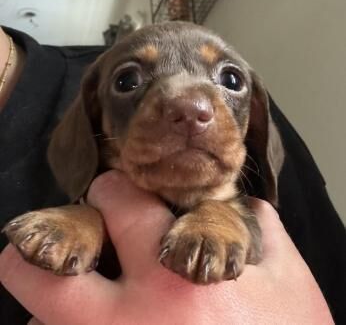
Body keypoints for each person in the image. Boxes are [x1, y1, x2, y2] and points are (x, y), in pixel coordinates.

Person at [0, 24, 345, 325]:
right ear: (93, 117)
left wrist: (219, 219)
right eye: (128, 81)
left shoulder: (245, 217)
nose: (190, 106)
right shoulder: (86, 205)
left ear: (255, 121)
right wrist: (83, 219)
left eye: (230, 80)